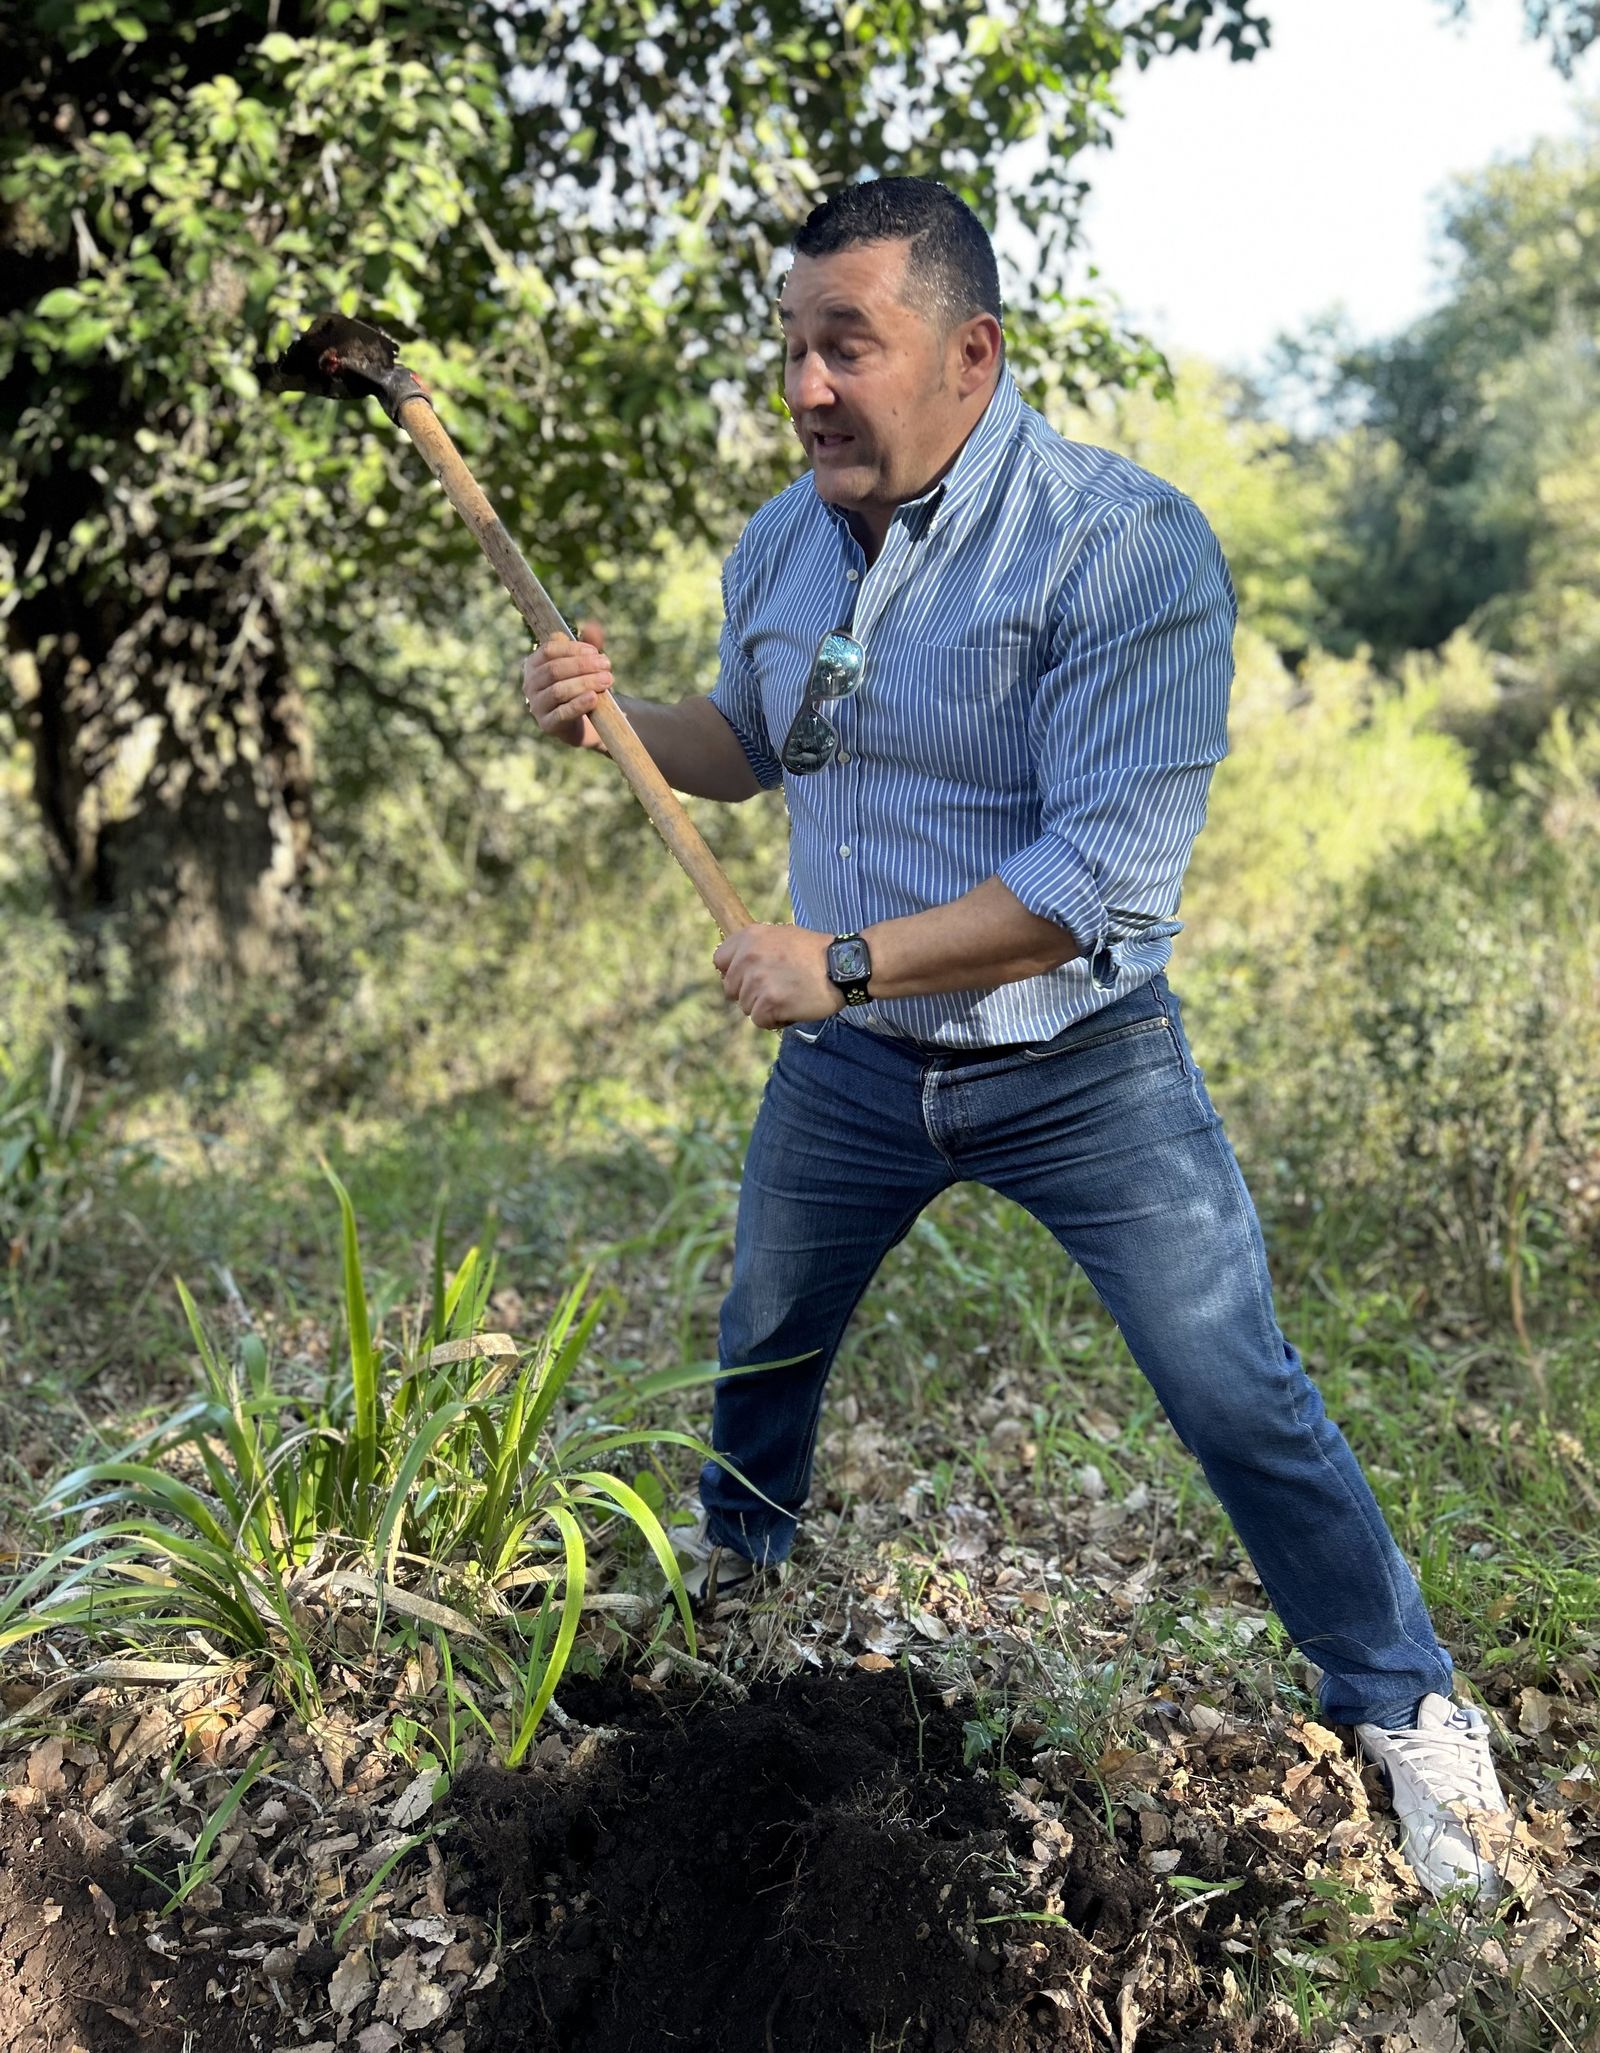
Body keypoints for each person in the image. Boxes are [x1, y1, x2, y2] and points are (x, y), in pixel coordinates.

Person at [521, 176, 1509, 1902]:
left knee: (1241, 1395)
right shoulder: (785, 539)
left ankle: (1410, 1702)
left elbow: (1095, 877)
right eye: (793, 349)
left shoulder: (1123, 546)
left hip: (1079, 1066)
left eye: (853, 345)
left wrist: (838, 957)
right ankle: (737, 1614)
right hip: (852, 1075)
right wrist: (621, 722)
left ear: (970, 352)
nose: (811, 387)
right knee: (758, 1353)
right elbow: (752, 737)